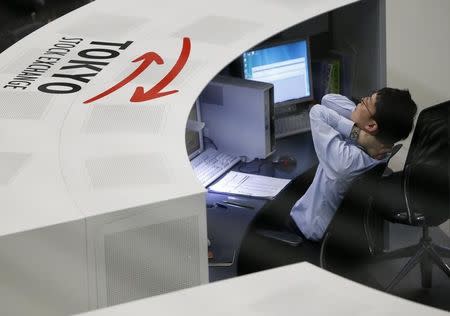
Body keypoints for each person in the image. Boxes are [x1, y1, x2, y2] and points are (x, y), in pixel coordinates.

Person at [286, 88, 418, 241]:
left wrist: (358, 134)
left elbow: (317, 111)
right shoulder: (383, 149)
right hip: (336, 233)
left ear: (371, 126)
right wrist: (359, 131)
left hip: (305, 230)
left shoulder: (346, 159)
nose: (361, 100)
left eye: (365, 102)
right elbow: (328, 99)